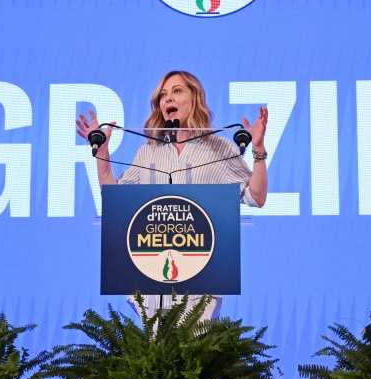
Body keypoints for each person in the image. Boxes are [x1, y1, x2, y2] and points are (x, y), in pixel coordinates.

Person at [75, 70, 268, 321]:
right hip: (151, 281)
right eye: (163, 95)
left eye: (177, 91)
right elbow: (115, 198)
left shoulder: (220, 148)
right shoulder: (148, 151)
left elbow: (256, 197)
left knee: (195, 345)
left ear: (195, 98)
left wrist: (258, 150)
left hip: (202, 279)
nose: (168, 99)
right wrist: (102, 152)